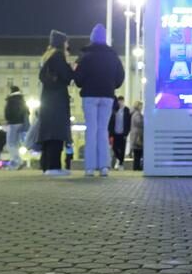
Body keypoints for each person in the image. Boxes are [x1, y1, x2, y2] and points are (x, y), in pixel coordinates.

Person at [74, 23, 125, 177]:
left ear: (92, 38)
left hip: (90, 95)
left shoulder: (85, 56)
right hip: (107, 95)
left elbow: (78, 79)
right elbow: (120, 76)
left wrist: (84, 83)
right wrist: (111, 85)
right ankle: (104, 167)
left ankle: (89, 168)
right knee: (103, 130)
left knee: (91, 130)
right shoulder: (113, 56)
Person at [36, 31, 75, 175]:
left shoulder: (47, 56)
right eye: (66, 42)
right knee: (56, 133)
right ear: (61, 42)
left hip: (48, 99)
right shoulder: (58, 56)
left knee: (48, 134)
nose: (67, 44)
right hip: (57, 100)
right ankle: (54, 167)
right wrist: (72, 69)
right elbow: (66, 76)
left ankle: (47, 166)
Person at [3, 85, 30, 169]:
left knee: (10, 144)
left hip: (14, 123)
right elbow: (27, 111)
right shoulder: (21, 99)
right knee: (15, 144)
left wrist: (9, 118)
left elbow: (10, 112)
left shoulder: (12, 100)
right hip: (20, 123)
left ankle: (17, 162)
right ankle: (17, 162)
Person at [109, 96, 131, 169]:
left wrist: (126, 132)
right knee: (114, 147)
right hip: (115, 132)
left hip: (123, 133)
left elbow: (128, 122)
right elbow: (111, 121)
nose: (120, 103)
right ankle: (119, 159)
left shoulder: (126, 110)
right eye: (119, 101)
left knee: (122, 148)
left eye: (121, 101)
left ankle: (121, 163)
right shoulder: (114, 110)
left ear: (123, 101)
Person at [129, 99, 144, 171]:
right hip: (138, 136)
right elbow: (139, 122)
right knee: (138, 154)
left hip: (135, 136)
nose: (142, 107)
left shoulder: (133, 113)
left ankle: (136, 167)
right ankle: (136, 168)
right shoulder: (137, 114)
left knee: (136, 155)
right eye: (141, 106)